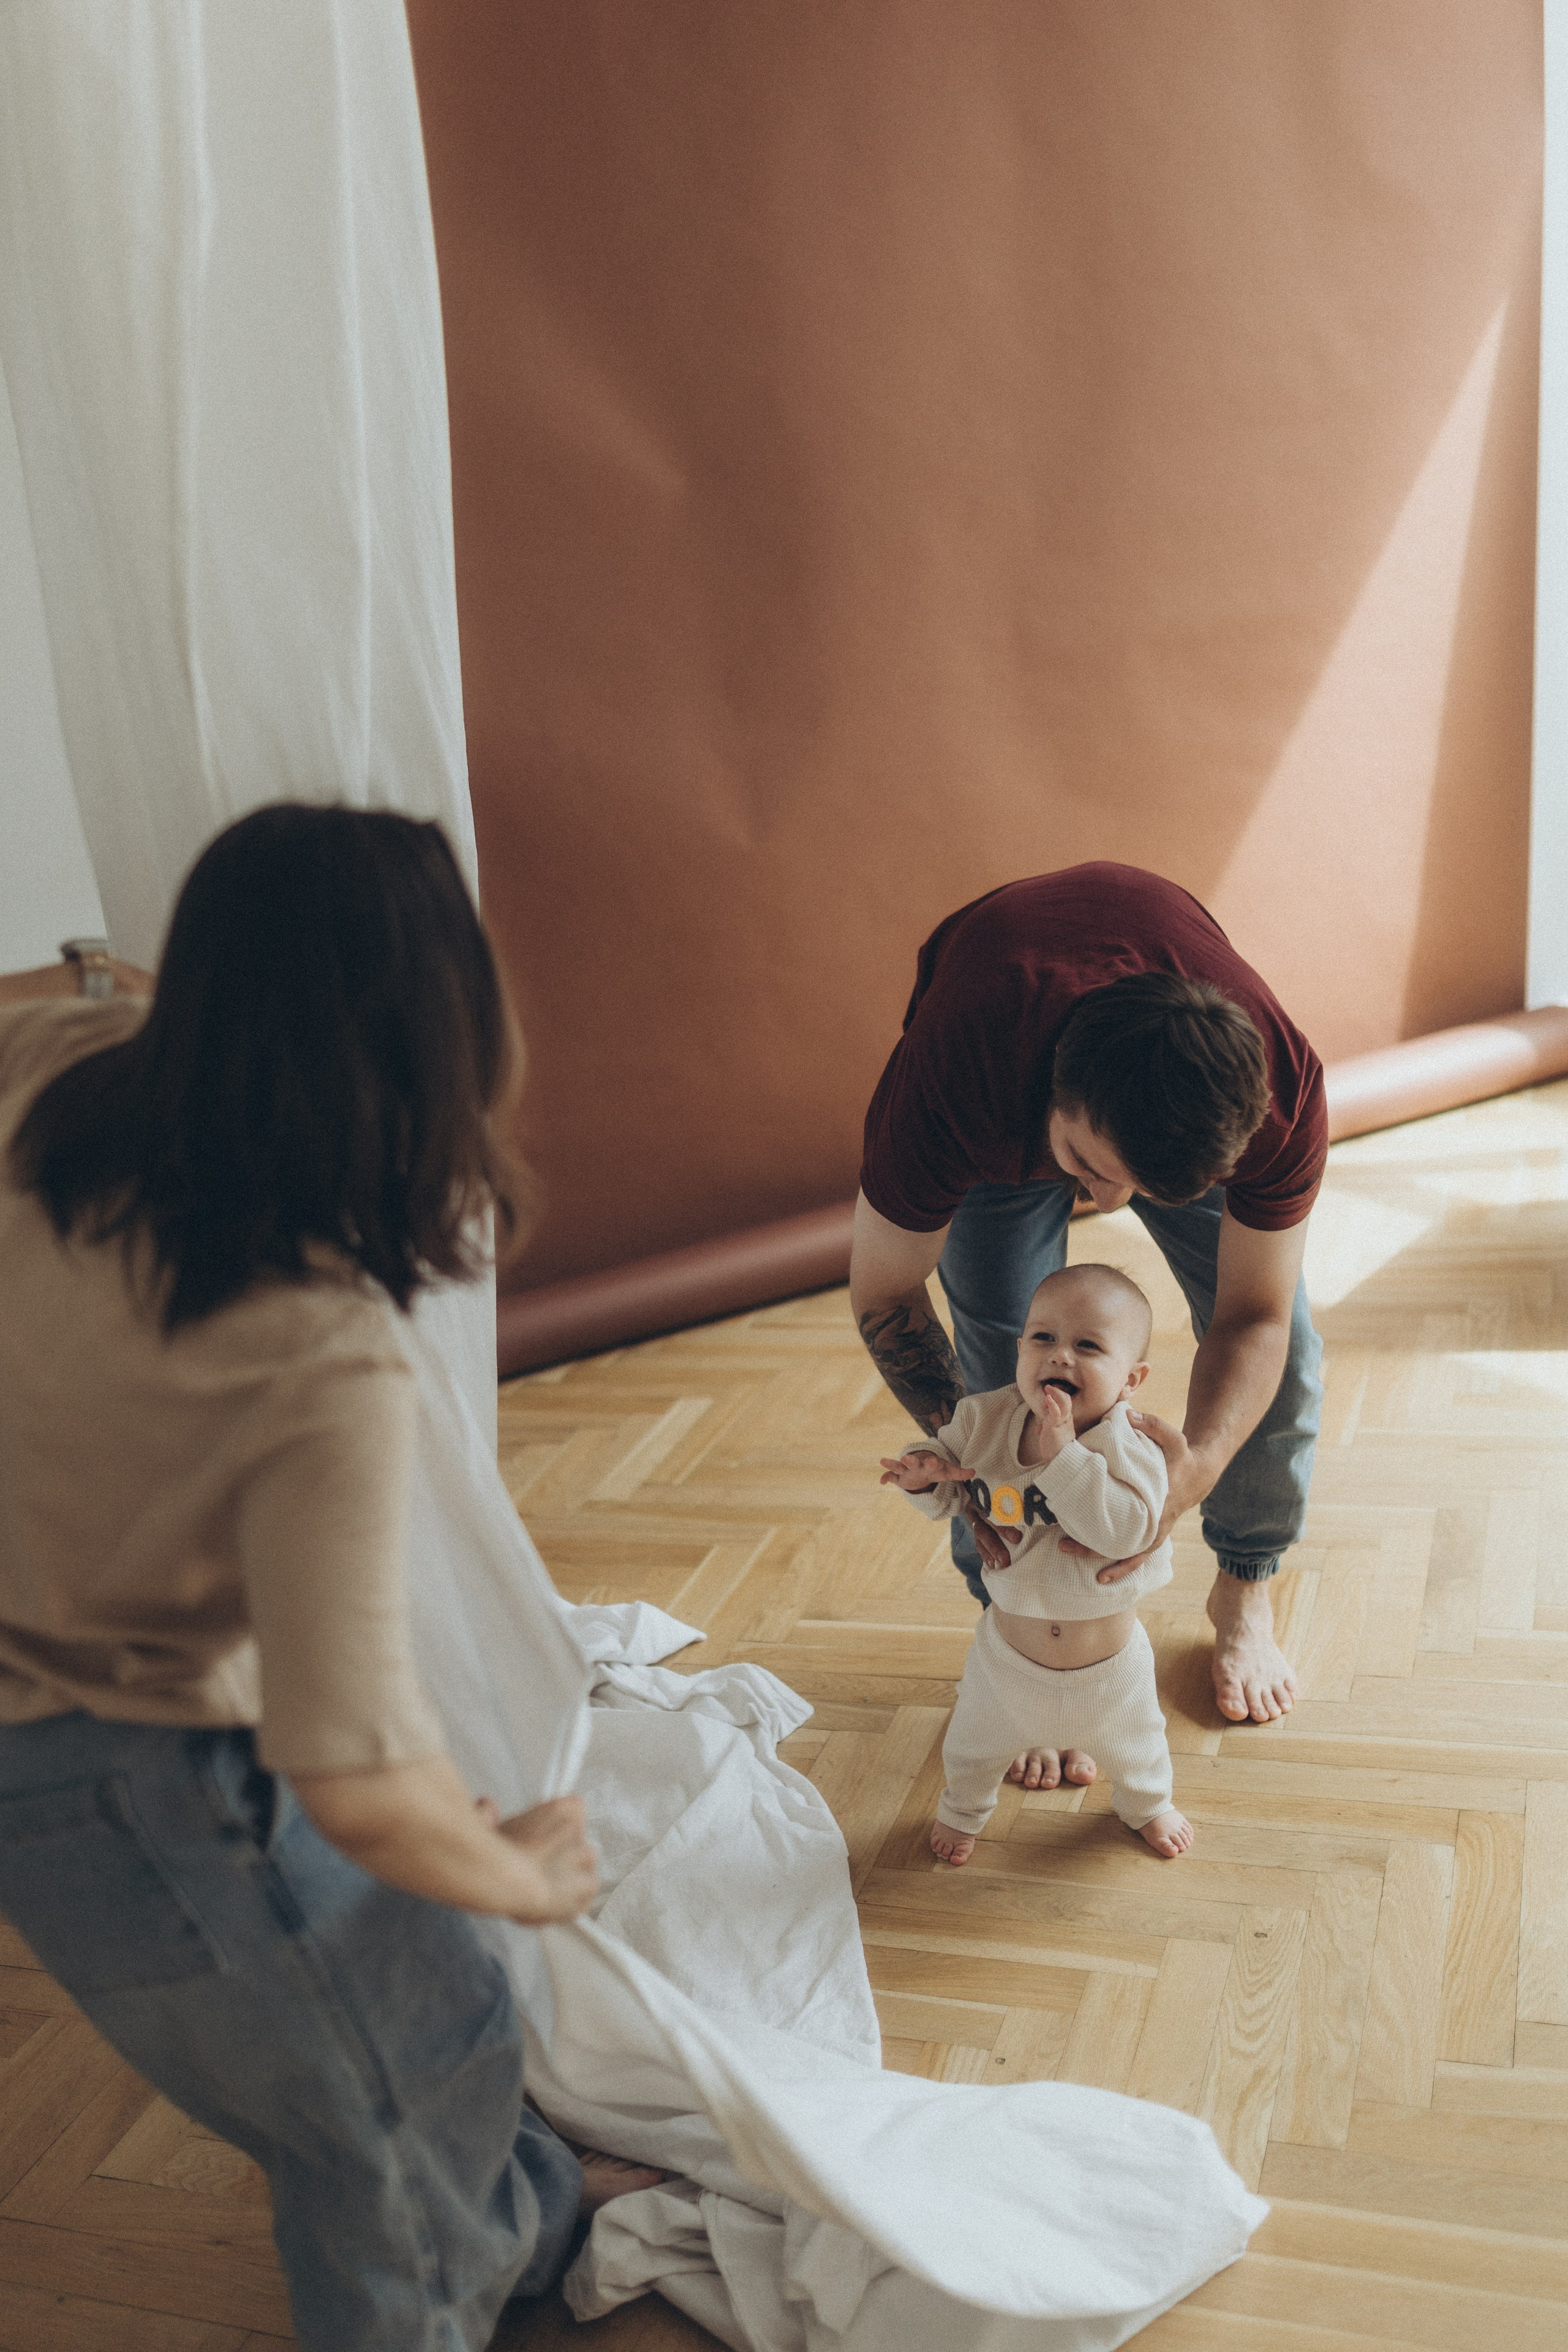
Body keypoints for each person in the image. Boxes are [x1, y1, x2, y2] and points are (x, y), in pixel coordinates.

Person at [0, 805, 660, 2352]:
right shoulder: (317, 1349)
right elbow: (356, 1782)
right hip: (132, 1785)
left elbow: (79, 990)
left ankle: (527, 2213)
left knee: (411, 2042)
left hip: (64, 1739)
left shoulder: (56, 1075)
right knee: (390, 2103)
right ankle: (462, 2262)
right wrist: (523, 1874)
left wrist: (117, 982)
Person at [851, 863, 1325, 1727]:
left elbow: (1253, 1317)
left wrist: (1198, 1469)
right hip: (996, 1072)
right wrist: (977, 1466)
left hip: (1129, 1090)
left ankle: (1244, 1587)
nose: (1109, 1204)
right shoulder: (956, 1080)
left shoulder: (1280, 1100)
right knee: (1007, 1367)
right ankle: (1022, 1636)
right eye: (1086, 1168)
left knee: (1286, 1351)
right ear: (1055, 1100)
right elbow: (884, 1293)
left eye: (1142, 1186)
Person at [881, 1263, 1192, 1861]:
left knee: (1140, 1747)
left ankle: (1147, 1805)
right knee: (972, 1747)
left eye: (1088, 1346)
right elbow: (952, 1486)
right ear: (1019, 1349)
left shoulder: (1132, 1445)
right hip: (1005, 1663)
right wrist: (924, 1474)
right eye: (1044, 1338)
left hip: (1110, 1673)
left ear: (1132, 1379)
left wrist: (1066, 1456)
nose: (1060, 1356)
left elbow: (1127, 1532)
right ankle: (964, 1810)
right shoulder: (983, 1419)